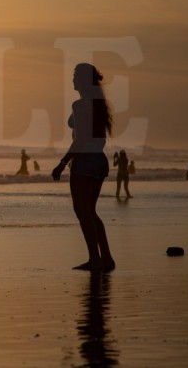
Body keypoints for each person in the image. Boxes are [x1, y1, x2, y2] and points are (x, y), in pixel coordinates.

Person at [52, 64, 115, 272]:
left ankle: (94, 260)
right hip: (99, 160)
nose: (72, 79)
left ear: (81, 80)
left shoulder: (80, 105)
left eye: (75, 76)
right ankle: (105, 258)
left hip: (84, 161)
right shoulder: (98, 104)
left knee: (82, 212)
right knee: (90, 212)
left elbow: (80, 140)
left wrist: (63, 162)